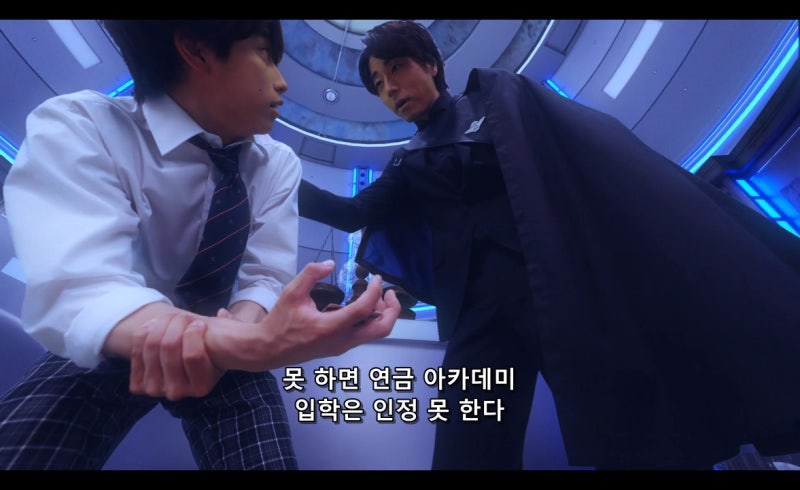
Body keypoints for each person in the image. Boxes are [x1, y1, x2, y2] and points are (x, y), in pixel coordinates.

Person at [298, 20, 800, 470]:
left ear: (431, 64)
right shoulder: (406, 160)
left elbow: (582, 159)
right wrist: (273, 176)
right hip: (476, 314)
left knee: (634, 431)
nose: (390, 89)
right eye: (378, 85)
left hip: (559, 286)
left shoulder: (496, 99)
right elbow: (351, 213)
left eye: (396, 68)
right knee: (466, 448)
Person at [0, 19, 399, 470]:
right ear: (198, 50)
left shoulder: (277, 164)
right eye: (265, 54)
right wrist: (250, 343)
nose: (282, 81)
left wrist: (238, 340)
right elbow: (86, 287)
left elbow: (263, 278)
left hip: (233, 333)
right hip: (122, 329)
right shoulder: (82, 124)